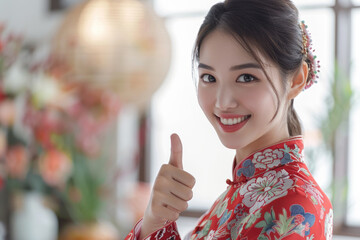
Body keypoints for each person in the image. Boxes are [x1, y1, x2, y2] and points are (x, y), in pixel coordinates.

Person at [125, 0, 333, 239]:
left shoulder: (296, 204)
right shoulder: (237, 193)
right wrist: (155, 220)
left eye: (246, 77)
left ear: (296, 80)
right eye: (209, 78)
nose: (223, 102)